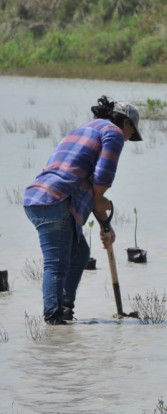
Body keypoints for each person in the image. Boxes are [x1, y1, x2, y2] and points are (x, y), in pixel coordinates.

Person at [23, 95, 142, 325]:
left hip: (40, 198)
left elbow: (92, 187)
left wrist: (105, 224)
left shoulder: (85, 128)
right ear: (125, 123)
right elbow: (102, 178)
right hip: (55, 201)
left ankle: (65, 311)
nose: (128, 139)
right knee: (56, 264)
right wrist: (102, 202)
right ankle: (54, 320)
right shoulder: (114, 132)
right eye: (132, 133)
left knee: (79, 254)